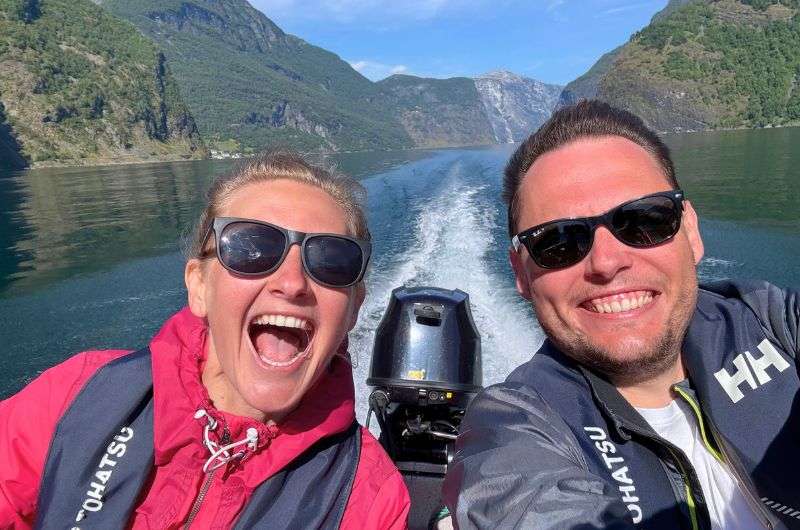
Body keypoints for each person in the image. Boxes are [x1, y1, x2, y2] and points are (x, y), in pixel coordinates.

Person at [0, 151, 410, 528]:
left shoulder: (368, 499)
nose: (292, 283)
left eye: (332, 260)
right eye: (251, 248)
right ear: (199, 286)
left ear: (354, 308)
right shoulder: (79, 397)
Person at [442, 100, 800, 529]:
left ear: (690, 231)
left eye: (644, 220)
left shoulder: (773, 321)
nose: (607, 263)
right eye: (558, 241)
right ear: (521, 272)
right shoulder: (513, 429)